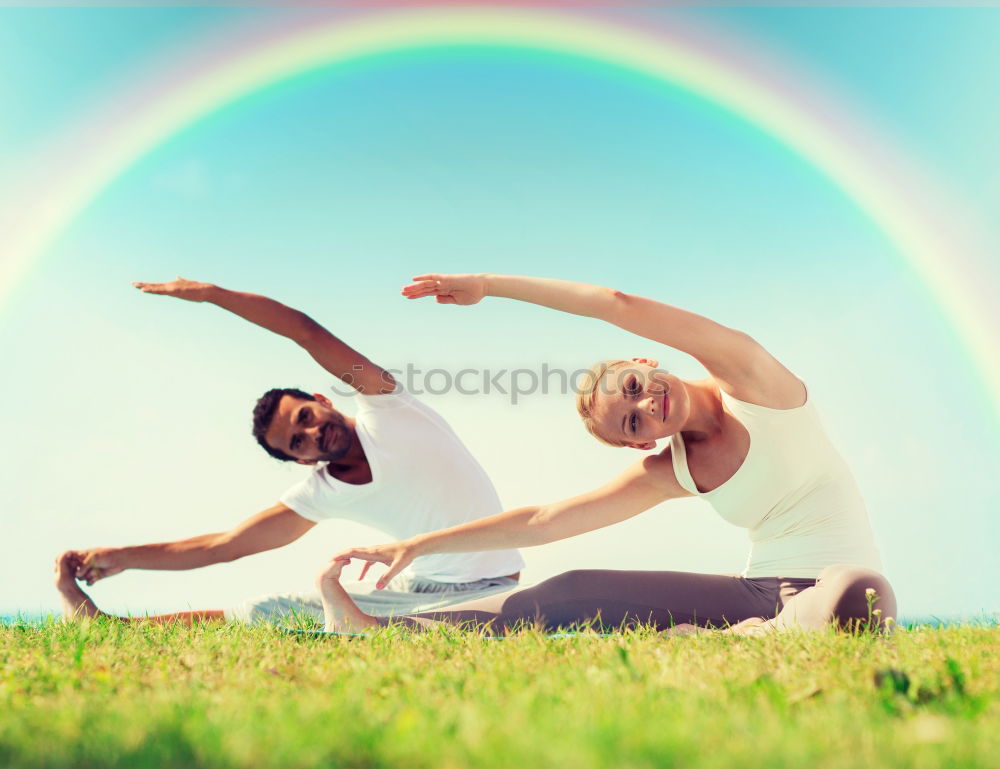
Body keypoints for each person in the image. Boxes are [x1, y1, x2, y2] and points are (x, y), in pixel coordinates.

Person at [329, 272, 896, 635]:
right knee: (572, 588)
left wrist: (487, 284)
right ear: (642, 443)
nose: (647, 404)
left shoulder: (752, 379)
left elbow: (616, 303)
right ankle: (386, 632)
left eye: (632, 387)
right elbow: (544, 522)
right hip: (757, 593)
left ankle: (744, 638)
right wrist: (414, 545)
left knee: (858, 591)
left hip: (835, 586)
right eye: (633, 422)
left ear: (643, 362)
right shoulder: (674, 469)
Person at [62, 277, 523, 625]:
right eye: (297, 442)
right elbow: (225, 546)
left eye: (305, 417)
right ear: (300, 459)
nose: (312, 434)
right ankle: (116, 627)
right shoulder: (323, 492)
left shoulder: (389, 407)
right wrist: (123, 555)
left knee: (375, 625)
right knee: (271, 610)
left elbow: (304, 331)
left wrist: (210, 294)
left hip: (490, 585)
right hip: (413, 589)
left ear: (321, 401)